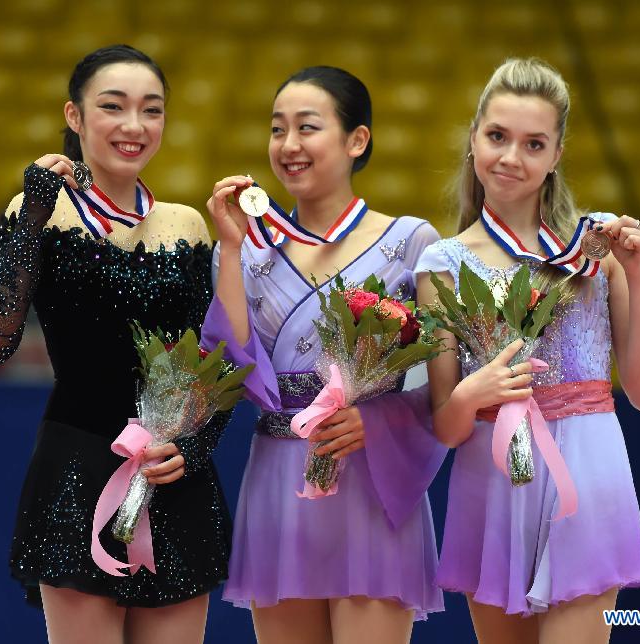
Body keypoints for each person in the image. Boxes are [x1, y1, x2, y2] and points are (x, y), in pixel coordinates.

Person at [0, 45, 228, 644]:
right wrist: (31, 216)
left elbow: (210, 362)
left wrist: (194, 445)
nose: (134, 126)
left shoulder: (186, 224)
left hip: (173, 472)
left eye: (151, 110)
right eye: (113, 107)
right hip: (77, 469)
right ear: (75, 116)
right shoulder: (41, 213)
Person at [415, 58, 640, 644]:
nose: (511, 157)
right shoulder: (442, 264)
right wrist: (470, 395)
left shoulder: (598, 245)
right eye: (497, 136)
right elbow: (447, 428)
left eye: (534, 144)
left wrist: (638, 273)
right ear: (474, 137)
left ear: (556, 155)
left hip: (588, 467)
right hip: (493, 474)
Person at [202, 66, 446, 644]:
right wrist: (231, 249)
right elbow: (229, 370)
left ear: (356, 140)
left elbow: (446, 388)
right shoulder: (243, 248)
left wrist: (377, 418)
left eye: (307, 128)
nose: (288, 146)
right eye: (277, 129)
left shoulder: (412, 243)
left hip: (371, 476)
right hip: (277, 478)